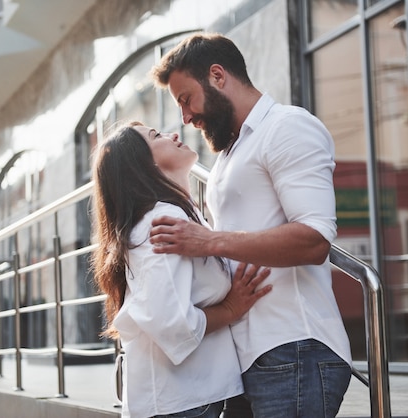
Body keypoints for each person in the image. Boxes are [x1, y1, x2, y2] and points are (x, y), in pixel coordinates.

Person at [149, 33, 352, 417]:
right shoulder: (230, 154)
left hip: (294, 347)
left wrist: (209, 241)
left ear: (217, 76)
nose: (185, 117)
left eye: (185, 98)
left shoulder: (287, 127)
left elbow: (314, 241)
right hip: (248, 356)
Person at [90, 121, 272, 418]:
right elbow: (168, 321)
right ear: (142, 164)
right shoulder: (162, 220)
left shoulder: (177, 215)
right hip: (178, 403)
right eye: (156, 136)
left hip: (185, 398)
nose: (173, 134)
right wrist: (230, 308)